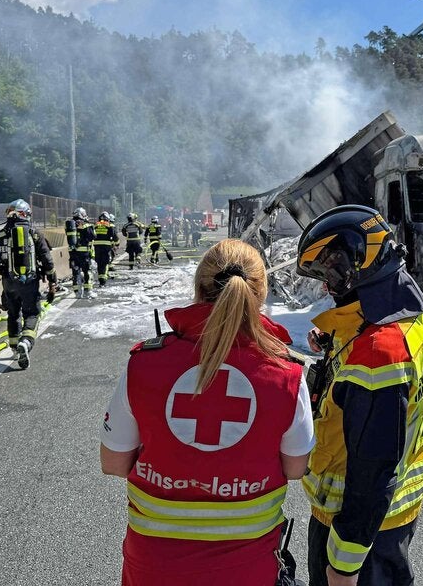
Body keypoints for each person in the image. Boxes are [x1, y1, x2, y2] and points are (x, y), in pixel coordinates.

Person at [100, 239, 315, 586]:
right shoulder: (286, 375)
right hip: (249, 570)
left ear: (199, 290)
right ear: (259, 295)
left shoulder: (145, 364)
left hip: (154, 569)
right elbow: (295, 468)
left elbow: (113, 463)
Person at [295, 205, 423, 586]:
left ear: (356, 260)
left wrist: (343, 566)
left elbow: (372, 473)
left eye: (330, 272)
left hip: (355, 530)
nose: (327, 285)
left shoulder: (378, 353)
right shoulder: (406, 312)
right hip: (390, 521)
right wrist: (332, 344)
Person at [0, 199, 57, 370]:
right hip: (30, 282)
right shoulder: (35, 234)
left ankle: (15, 346)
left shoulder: (0, 235)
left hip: (9, 282)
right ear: (27, 214)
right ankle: (26, 342)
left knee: (13, 313)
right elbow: (47, 261)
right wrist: (53, 282)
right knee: (32, 314)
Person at [65, 207, 95, 298]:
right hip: (84, 254)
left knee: (75, 272)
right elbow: (92, 237)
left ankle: (77, 292)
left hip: (73, 254)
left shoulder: (70, 225)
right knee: (87, 272)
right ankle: (87, 292)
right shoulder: (87, 225)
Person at [93, 212, 119, 287]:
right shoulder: (109, 225)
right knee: (105, 263)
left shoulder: (96, 225)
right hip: (106, 248)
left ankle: (101, 279)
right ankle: (103, 281)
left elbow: (91, 235)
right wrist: (117, 244)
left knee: (99, 263)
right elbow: (115, 236)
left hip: (97, 247)